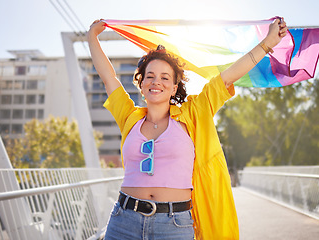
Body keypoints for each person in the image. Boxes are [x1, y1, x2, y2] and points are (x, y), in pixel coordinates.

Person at [88, 18, 288, 240]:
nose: (157, 82)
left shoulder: (194, 113)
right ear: (142, 84)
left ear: (174, 87)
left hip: (173, 224)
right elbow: (108, 78)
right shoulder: (129, 117)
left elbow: (229, 76)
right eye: (150, 76)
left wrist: (268, 43)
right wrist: (92, 37)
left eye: (165, 78)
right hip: (124, 220)